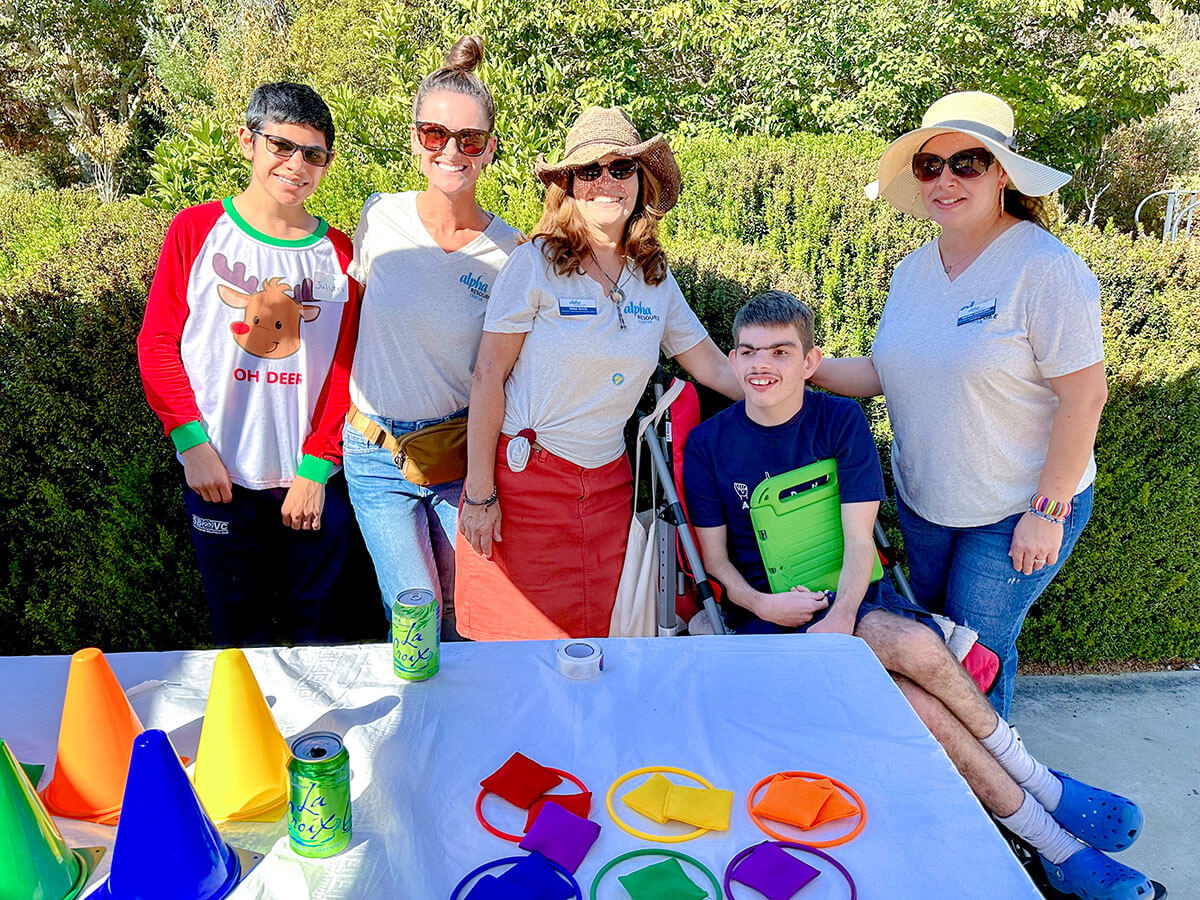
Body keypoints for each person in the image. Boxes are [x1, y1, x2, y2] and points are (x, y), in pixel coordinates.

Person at [684, 292, 1150, 900]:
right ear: (733, 357)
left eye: (779, 350)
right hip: (770, 618)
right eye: (746, 351)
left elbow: (860, 543)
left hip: (850, 597)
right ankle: (1052, 828)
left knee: (911, 647)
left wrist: (843, 617)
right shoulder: (711, 444)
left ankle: (1045, 807)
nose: (759, 364)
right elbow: (716, 564)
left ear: (810, 360)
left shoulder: (840, 421)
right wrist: (762, 604)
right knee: (918, 700)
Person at [810, 92, 1108, 717]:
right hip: (928, 505)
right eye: (930, 166)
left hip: (1014, 509)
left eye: (967, 162)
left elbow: (1085, 395)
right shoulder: (912, 272)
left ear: (1003, 172)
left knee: (976, 658)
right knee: (931, 645)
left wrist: (1048, 511)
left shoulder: (1045, 269)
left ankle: (991, 795)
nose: (945, 179)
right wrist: (797, 368)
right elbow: (884, 373)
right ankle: (949, 772)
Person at [455, 106, 740, 641]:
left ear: (641, 180)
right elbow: (487, 376)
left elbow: (712, 366)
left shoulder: (653, 276)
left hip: (609, 488)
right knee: (515, 657)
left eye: (621, 168)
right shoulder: (535, 262)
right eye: (589, 171)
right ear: (567, 185)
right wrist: (478, 493)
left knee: (599, 646)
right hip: (524, 487)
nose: (606, 182)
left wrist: (795, 383)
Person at [138, 83, 360, 645]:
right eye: (281, 146)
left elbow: (346, 369)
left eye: (314, 154)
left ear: (327, 163)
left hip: (311, 487)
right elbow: (159, 342)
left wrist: (316, 468)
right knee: (239, 639)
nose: (296, 165)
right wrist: (191, 445)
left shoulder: (341, 255)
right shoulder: (194, 230)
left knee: (321, 639)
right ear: (247, 141)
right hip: (219, 480)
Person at [342, 37, 520, 638]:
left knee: (467, 614)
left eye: (469, 140)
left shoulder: (511, 253)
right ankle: (417, 730)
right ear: (415, 139)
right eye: (434, 134)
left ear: (489, 150)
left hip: (460, 457)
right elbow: (348, 331)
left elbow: (507, 371)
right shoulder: (379, 217)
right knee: (414, 616)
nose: (451, 151)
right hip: (374, 451)